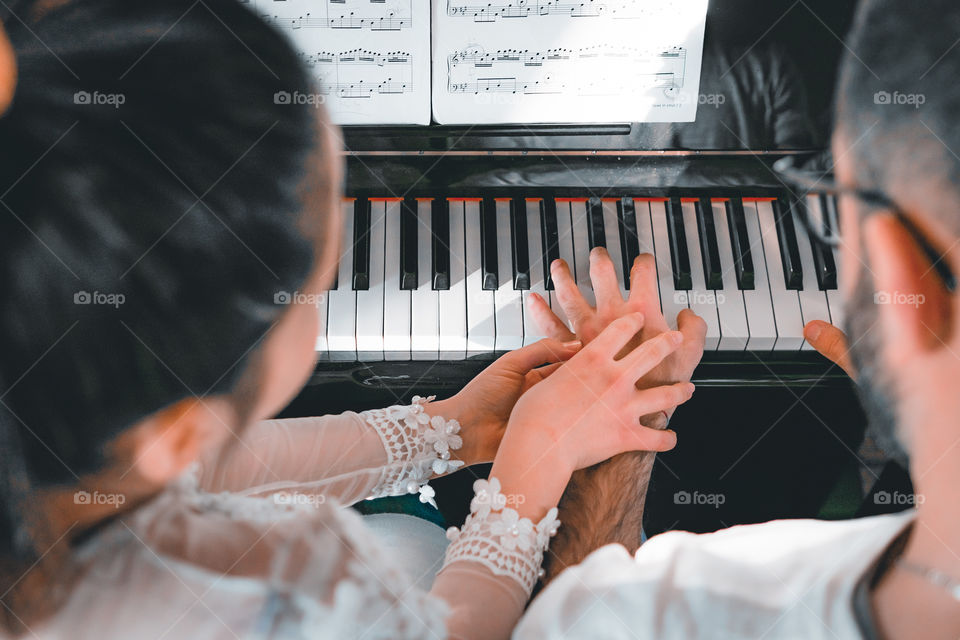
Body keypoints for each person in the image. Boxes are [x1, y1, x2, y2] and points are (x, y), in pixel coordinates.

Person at [0, 1, 703, 639]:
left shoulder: (66, 443)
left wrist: (449, 431)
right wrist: (536, 464)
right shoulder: (291, 589)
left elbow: (208, 468)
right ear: (175, 432)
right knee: (416, 543)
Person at [517, 0, 960, 638]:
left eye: (837, 208)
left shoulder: (702, 604)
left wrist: (626, 424)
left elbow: (580, 623)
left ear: (899, 281)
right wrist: (927, 403)